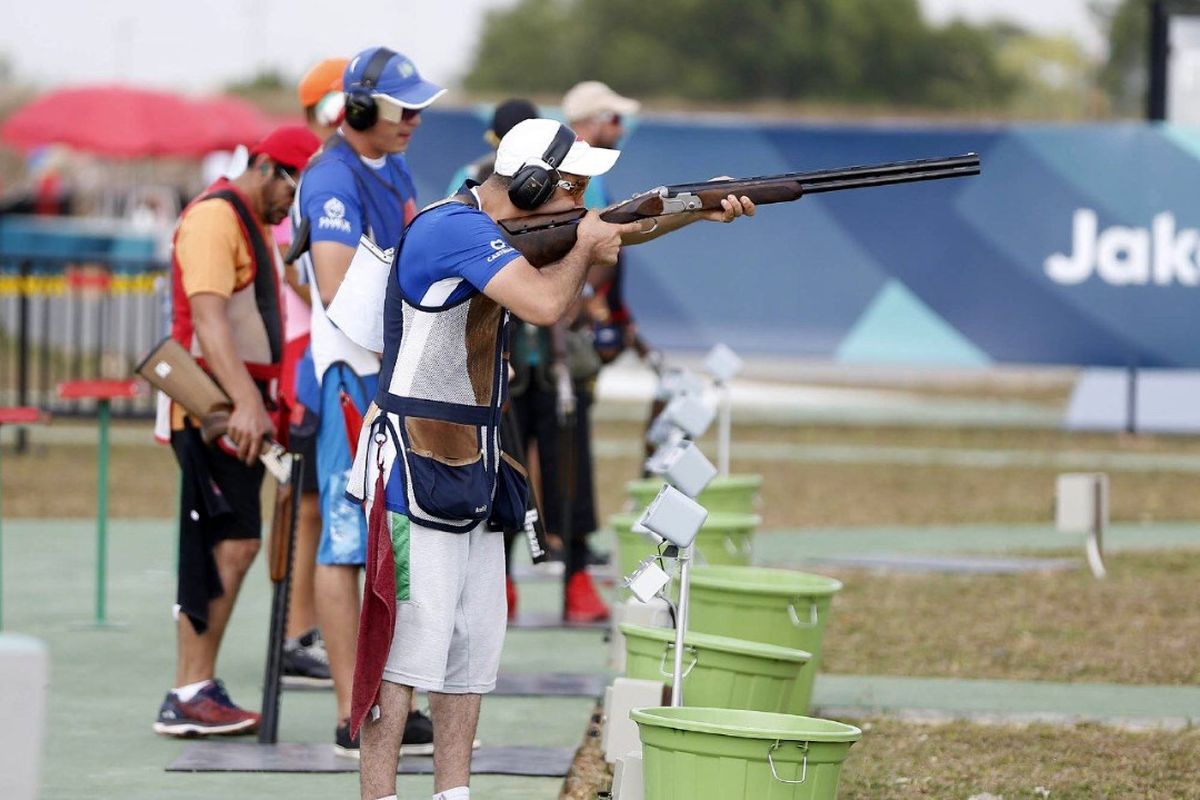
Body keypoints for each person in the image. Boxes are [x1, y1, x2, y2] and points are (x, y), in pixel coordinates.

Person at [348, 117, 754, 800]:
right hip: (413, 464)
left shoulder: (504, 228)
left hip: (473, 459)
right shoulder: (455, 229)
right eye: (573, 184)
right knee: (403, 655)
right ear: (537, 184)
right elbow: (545, 302)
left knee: (471, 651)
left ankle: (454, 793)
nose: (584, 194)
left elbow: (607, 229)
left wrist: (697, 208)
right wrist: (587, 249)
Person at [293, 45, 444, 757]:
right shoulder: (331, 177)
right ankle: (352, 714)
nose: (414, 118)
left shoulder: (395, 163)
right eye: (402, 108)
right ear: (358, 111)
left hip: (388, 372)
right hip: (352, 376)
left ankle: (381, 701)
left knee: (389, 538)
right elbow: (335, 288)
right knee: (345, 542)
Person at [153, 126, 319, 737]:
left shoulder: (246, 220)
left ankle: (197, 685)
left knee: (238, 544)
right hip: (210, 410)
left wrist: (266, 405)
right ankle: (188, 690)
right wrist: (246, 404)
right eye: (291, 192)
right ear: (270, 167)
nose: (290, 209)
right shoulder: (214, 218)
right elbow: (210, 322)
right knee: (216, 545)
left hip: (239, 409)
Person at [276, 56, 352, 689]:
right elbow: (304, 278)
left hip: (313, 355)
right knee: (313, 510)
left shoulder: (331, 171)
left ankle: (303, 633)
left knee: (316, 510)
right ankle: (297, 634)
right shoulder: (319, 176)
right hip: (310, 359)